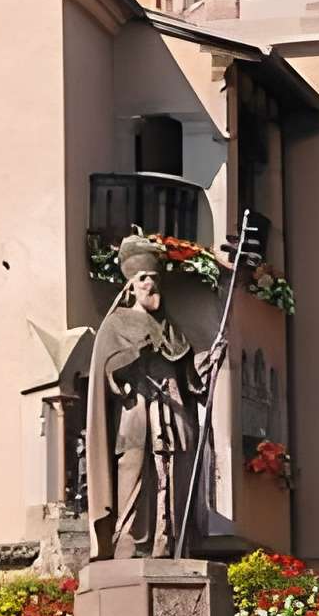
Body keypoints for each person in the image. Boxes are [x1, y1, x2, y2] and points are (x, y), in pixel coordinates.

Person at [85, 237, 223, 559]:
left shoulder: (171, 328)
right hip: (137, 418)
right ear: (131, 286)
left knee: (173, 481)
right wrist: (135, 352)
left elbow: (188, 377)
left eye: (155, 279)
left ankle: (169, 546)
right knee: (135, 480)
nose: (152, 285)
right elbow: (106, 371)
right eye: (145, 279)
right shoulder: (115, 324)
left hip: (174, 418)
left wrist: (207, 365)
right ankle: (130, 549)